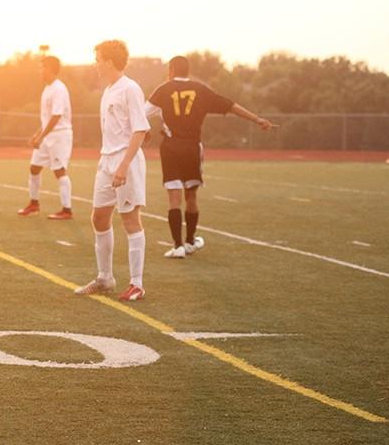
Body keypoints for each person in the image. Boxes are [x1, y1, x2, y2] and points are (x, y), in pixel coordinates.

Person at [146, 55, 276, 258]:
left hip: (170, 147)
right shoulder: (200, 89)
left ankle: (178, 246)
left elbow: (141, 113)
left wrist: (140, 131)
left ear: (171, 70)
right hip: (191, 147)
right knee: (191, 195)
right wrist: (257, 119)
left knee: (174, 196)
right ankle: (190, 242)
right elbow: (230, 105)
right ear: (187, 70)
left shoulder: (163, 89)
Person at [75, 40, 150, 302]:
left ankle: (137, 284)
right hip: (106, 160)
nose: (95, 64)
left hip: (124, 161)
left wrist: (124, 165)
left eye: (97, 59)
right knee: (99, 217)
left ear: (108, 61)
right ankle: (105, 277)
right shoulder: (108, 89)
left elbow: (140, 129)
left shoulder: (130, 88)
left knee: (130, 219)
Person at [17, 55, 74, 219]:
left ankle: (67, 210)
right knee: (34, 167)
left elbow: (56, 117)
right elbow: (48, 118)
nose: (39, 71)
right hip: (47, 136)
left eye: (41, 68)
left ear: (50, 69)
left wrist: (41, 137)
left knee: (59, 171)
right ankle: (34, 204)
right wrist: (37, 135)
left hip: (59, 136)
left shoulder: (59, 88)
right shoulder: (47, 88)